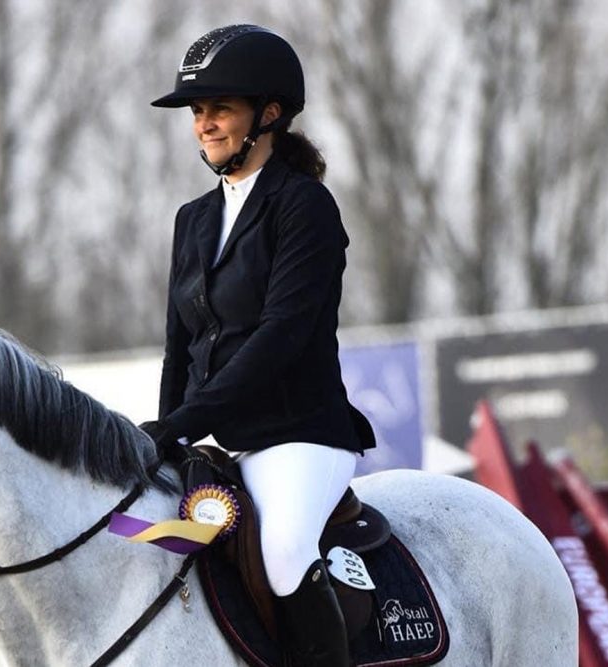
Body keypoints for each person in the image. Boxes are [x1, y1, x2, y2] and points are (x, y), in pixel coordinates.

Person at [142, 24, 376, 667]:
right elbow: (177, 345)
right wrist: (166, 433)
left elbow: (280, 337)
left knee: (283, 553)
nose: (205, 124)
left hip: (299, 435)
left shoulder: (305, 207)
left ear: (268, 114)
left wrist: (192, 419)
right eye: (197, 111)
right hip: (212, 437)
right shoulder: (192, 219)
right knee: (143, 544)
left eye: (220, 109)